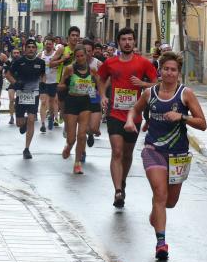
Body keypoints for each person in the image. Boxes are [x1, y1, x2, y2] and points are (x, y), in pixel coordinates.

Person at [124, 51, 206, 259]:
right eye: (166, 69)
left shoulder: (185, 94)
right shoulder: (150, 93)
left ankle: (156, 213)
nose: (169, 73)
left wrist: (182, 116)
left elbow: (202, 124)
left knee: (170, 202)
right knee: (160, 194)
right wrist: (130, 120)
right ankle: (161, 243)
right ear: (160, 71)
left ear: (179, 73)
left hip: (178, 154)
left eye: (173, 70)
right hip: (153, 150)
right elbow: (135, 109)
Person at [98, 27, 157, 208]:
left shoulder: (143, 63)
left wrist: (142, 84)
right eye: (123, 39)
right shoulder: (110, 62)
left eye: (130, 39)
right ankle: (117, 191)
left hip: (135, 115)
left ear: (134, 42)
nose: (127, 42)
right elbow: (100, 79)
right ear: (118, 42)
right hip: (115, 113)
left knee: (127, 153)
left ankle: (122, 181)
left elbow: (157, 84)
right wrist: (103, 96)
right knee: (117, 151)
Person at [59, 45, 100, 174]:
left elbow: (97, 87)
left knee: (82, 135)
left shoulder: (92, 70)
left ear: (86, 56)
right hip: (72, 102)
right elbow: (61, 84)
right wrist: (62, 88)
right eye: (78, 56)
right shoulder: (69, 69)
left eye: (82, 55)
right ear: (75, 57)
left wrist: (99, 103)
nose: (80, 58)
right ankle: (68, 146)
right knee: (72, 138)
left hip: (85, 102)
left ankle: (77, 163)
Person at [5, 39, 45, 159]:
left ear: (36, 49)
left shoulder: (40, 62)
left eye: (33, 47)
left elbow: (43, 75)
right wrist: (15, 83)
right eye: (29, 47)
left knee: (32, 119)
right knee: (19, 124)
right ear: (25, 49)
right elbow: (7, 74)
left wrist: (42, 88)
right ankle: (25, 121)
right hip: (21, 95)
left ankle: (27, 149)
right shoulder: (19, 62)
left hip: (34, 94)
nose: (31, 49)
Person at [51, 27, 80, 130]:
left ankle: (71, 127)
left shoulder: (80, 50)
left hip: (76, 83)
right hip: (62, 83)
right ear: (68, 37)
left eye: (77, 35)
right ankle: (66, 124)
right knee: (63, 109)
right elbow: (51, 63)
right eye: (73, 35)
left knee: (74, 108)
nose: (75, 37)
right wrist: (62, 59)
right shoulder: (62, 49)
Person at [83, 38, 103, 154]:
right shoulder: (76, 63)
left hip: (93, 93)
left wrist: (102, 94)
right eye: (85, 51)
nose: (87, 54)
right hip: (79, 94)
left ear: (93, 51)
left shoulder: (98, 64)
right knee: (83, 125)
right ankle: (82, 151)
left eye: (89, 51)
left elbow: (106, 80)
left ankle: (91, 133)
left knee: (94, 128)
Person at [38, 36, 58, 132]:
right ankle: (42, 124)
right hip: (43, 82)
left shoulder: (56, 55)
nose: (48, 45)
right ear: (44, 44)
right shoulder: (40, 55)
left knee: (52, 102)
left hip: (53, 82)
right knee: (43, 102)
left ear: (53, 45)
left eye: (50, 44)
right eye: (47, 44)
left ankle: (51, 116)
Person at [5, 48, 22, 125]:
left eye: (17, 53)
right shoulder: (10, 63)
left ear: (20, 53)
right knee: (11, 99)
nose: (16, 54)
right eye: (14, 53)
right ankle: (11, 117)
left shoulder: (23, 62)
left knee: (21, 100)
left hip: (21, 84)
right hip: (12, 84)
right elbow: (6, 74)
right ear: (12, 54)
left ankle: (22, 114)